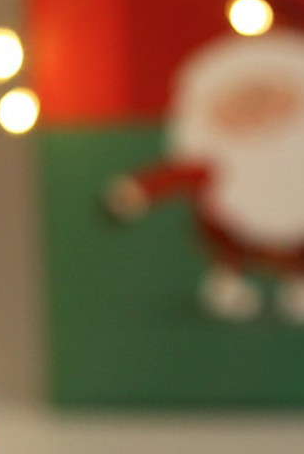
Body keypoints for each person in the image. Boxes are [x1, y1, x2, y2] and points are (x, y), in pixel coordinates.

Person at [105, 29, 304, 321]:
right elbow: (177, 174)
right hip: (233, 234)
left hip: (296, 240)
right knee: (228, 248)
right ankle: (229, 282)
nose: (255, 109)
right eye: (242, 101)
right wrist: (135, 192)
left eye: (268, 97)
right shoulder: (217, 155)